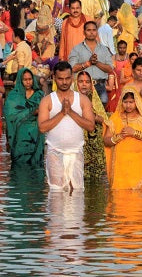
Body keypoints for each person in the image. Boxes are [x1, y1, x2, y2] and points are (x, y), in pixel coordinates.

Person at [37, 62, 95, 192]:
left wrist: (71, 112)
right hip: (54, 152)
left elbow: (91, 126)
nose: (64, 82)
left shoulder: (82, 99)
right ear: (54, 78)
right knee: (56, 194)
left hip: (76, 151)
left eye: (67, 78)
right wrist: (62, 113)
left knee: (77, 194)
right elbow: (42, 128)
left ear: (72, 78)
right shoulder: (47, 100)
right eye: (60, 78)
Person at [104, 89, 142, 192]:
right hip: (120, 165)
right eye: (125, 102)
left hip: (139, 163)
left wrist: (135, 133)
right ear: (121, 102)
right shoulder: (115, 118)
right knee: (120, 196)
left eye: (131, 102)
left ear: (136, 102)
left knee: (140, 195)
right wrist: (119, 136)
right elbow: (106, 140)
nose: (128, 105)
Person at [3, 68, 45, 167]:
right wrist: (33, 111)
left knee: (37, 166)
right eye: (25, 79)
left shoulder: (39, 95)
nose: (28, 82)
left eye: (30, 79)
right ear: (20, 80)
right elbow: (10, 117)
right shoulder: (14, 96)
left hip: (36, 135)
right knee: (19, 168)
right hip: (19, 137)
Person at [68, 20, 114, 106]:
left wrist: (96, 63)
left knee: (100, 115)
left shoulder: (104, 49)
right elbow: (73, 68)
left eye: (94, 30)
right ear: (84, 32)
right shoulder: (77, 49)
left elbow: (110, 68)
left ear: (97, 32)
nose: (91, 32)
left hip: (100, 86)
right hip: (82, 87)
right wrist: (88, 63)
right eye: (89, 30)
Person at [75, 70, 110, 182]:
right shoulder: (72, 100)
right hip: (77, 143)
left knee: (96, 180)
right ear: (76, 83)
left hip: (95, 145)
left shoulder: (94, 99)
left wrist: (91, 115)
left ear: (91, 84)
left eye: (87, 82)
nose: (84, 84)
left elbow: (104, 120)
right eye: (81, 81)